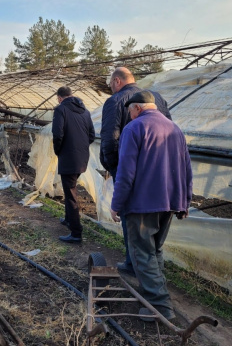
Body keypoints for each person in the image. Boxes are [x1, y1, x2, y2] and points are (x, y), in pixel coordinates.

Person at [110, 90, 192, 320]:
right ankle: (158, 292)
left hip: (142, 204)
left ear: (136, 108)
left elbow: (126, 173)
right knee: (154, 250)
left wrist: (116, 204)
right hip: (169, 202)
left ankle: (160, 308)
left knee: (142, 253)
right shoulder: (175, 129)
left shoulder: (134, 129)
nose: (129, 116)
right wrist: (185, 201)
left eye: (129, 111)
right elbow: (186, 168)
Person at [100, 67, 171, 276]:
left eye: (111, 84)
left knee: (130, 215)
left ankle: (134, 264)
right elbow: (167, 130)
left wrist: (114, 169)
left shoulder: (115, 101)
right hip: (157, 169)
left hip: (129, 169)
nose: (111, 88)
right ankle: (153, 264)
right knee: (154, 220)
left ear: (117, 81)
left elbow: (109, 141)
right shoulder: (156, 98)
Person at [52, 86, 95, 243]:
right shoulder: (85, 111)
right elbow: (91, 135)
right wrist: (81, 147)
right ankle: (69, 219)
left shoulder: (60, 110)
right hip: (82, 158)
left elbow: (58, 134)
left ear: (60, 98)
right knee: (70, 188)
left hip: (68, 157)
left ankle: (76, 233)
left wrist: (59, 151)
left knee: (70, 194)